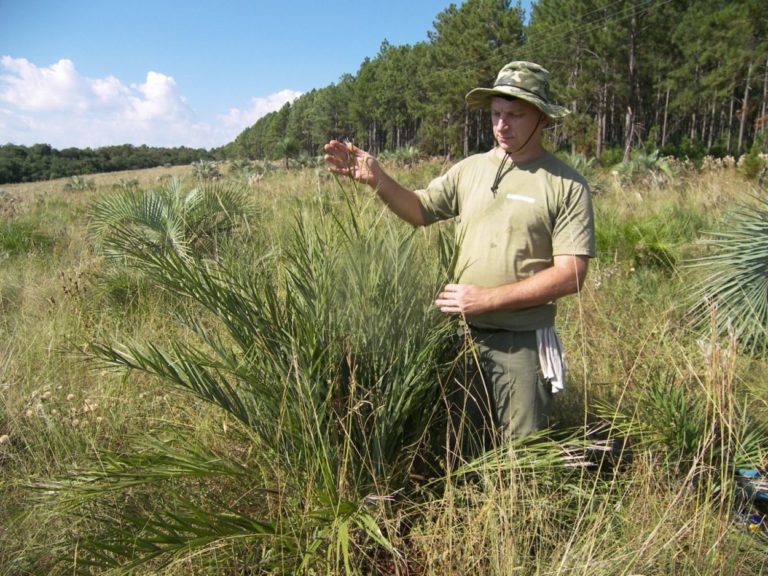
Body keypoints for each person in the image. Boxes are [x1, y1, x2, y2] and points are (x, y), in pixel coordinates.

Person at [324, 61, 595, 456]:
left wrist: (486, 299)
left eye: (516, 115)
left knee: (522, 456)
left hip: (521, 343)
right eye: (496, 114)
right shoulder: (470, 170)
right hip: (460, 338)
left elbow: (571, 274)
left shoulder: (565, 184)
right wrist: (376, 178)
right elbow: (419, 210)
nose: (503, 125)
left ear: (542, 119)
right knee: (461, 447)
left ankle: (522, 518)